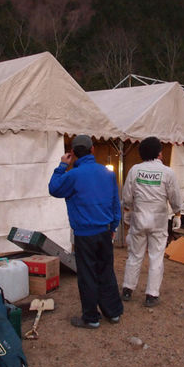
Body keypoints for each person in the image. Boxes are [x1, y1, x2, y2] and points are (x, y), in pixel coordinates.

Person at [48, 134, 124, 328]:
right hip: (105, 231)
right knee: (106, 271)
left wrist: (62, 165)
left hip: (84, 233)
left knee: (88, 274)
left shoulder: (72, 175)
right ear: (92, 150)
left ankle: (91, 318)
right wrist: (113, 226)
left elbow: (54, 189)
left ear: (73, 153)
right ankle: (113, 312)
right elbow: (116, 203)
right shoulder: (108, 173)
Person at [121, 136, 183, 307]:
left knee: (135, 255)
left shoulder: (135, 170)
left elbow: (127, 195)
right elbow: (175, 196)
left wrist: (127, 210)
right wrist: (178, 213)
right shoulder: (167, 172)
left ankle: (127, 289)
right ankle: (151, 295)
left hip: (139, 219)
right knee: (156, 257)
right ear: (159, 153)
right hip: (158, 221)